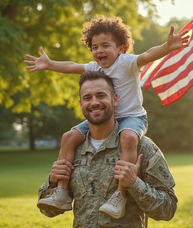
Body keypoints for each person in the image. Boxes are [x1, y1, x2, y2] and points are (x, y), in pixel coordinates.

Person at [25, 15, 188, 219]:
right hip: (112, 121)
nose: (99, 51)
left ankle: (119, 194)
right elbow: (71, 66)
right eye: (94, 47)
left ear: (120, 48)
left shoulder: (127, 63)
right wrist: (49, 64)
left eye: (105, 45)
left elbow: (147, 54)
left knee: (128, 138)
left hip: (131, 117)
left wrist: (167, 46)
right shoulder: (95, 68)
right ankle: (61, 191)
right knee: (68, 137)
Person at [37, 71, 178, 227]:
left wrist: (134, 184)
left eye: (101, 95)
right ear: (80, 104)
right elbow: (48, 211)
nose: (94, 102)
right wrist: (52, 181)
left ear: (115, 99)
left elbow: (168, 209)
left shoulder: (141, 147)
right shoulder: (72, 149)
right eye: (87, 98)